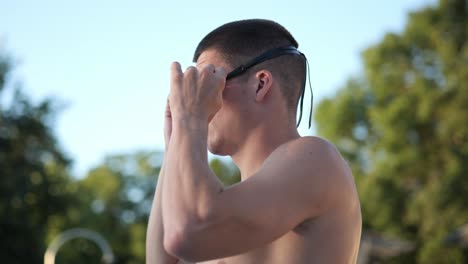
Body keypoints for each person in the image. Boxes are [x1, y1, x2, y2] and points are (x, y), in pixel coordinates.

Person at [146, 19, 362, 264]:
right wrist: (175, 141)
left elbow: (185, 234)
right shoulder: (228, 209)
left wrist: (190, 117)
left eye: (210, 80)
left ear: (260, 84)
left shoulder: (315, 158)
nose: (196, 95)